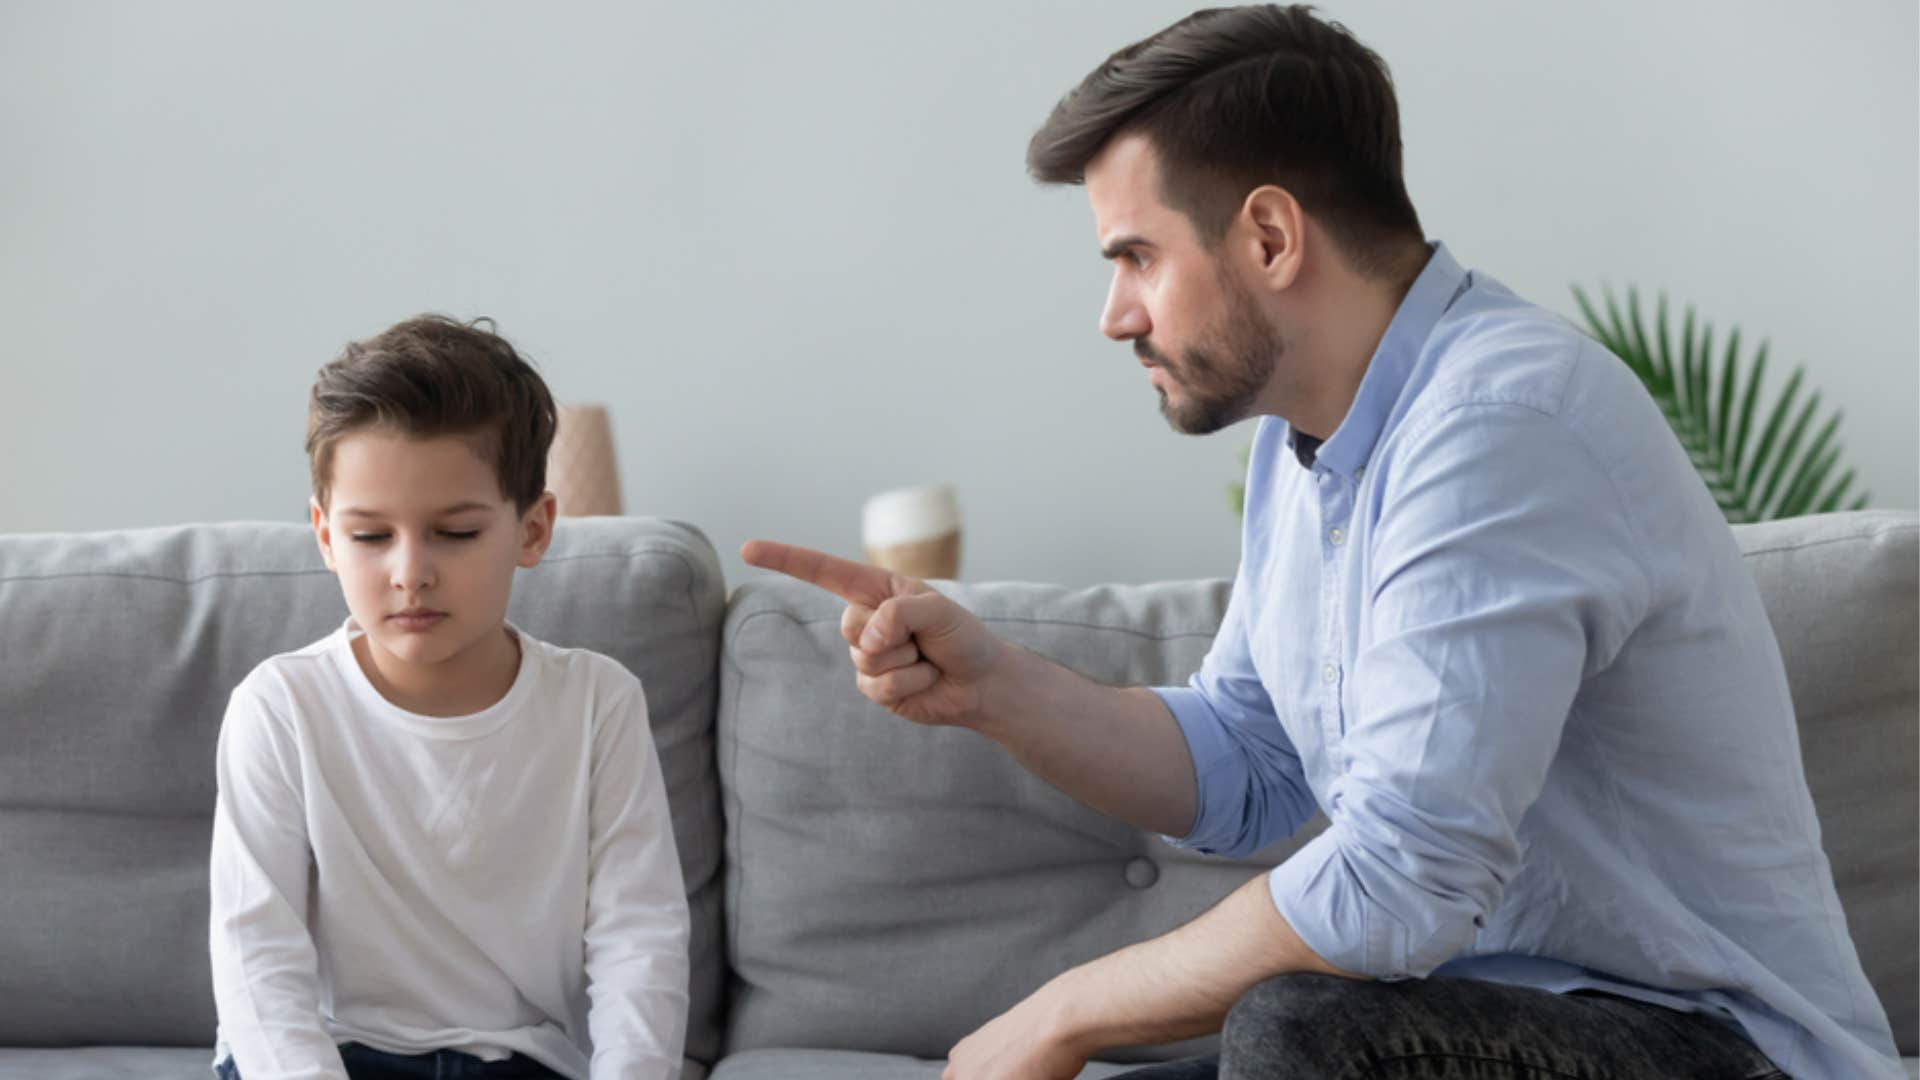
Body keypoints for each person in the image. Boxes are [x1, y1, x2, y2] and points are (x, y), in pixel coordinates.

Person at [743, 6, 1901, 1079]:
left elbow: (1398, 883)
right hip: (1470, 1026)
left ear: (1269, 235)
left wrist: (1065, 1006)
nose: (1115, 314)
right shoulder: (1308, 443)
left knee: (1294, 1033)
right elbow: (1244, 763)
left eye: (1136, 256)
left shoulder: (1502, 424)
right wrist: (993, 684)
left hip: (1715, 1046)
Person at [209, 316, 690, 1080]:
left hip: (520, 1063)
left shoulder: (598, 702)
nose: (410, 573)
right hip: (323, 1058)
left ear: (532, 530)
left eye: (456, 533)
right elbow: (254, 956)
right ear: (326, 536)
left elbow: (641, 941)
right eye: (370, 537)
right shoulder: (279, 707)